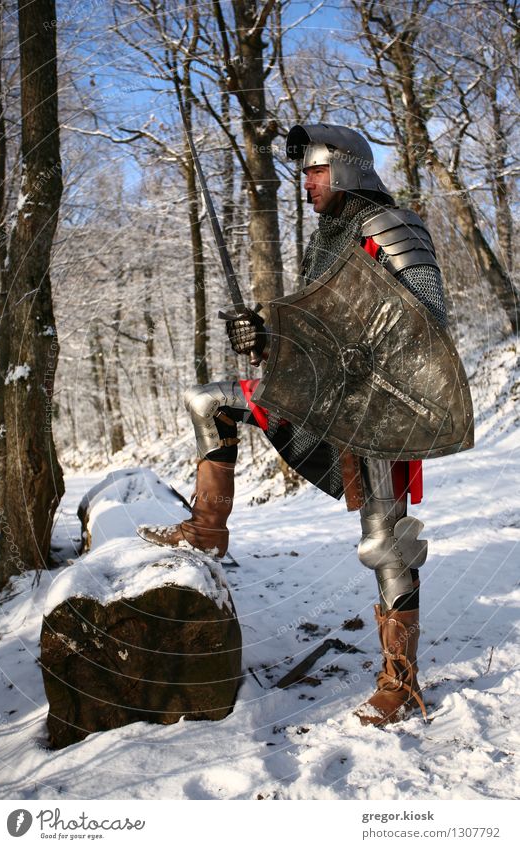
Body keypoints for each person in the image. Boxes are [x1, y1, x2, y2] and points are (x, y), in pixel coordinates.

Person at [139, 124, 449, 727]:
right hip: (321, 393)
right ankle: (208, 530)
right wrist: (265, 337)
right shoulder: (324, 243)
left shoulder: (393, 228)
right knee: (211, 400)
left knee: (386, 542)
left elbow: (427, 319)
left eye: (314, 172)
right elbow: (312, 335)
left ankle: (401, 681)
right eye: (304, 173)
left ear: (349, 169)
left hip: (375, 403)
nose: (304, 184)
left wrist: (353, 346)